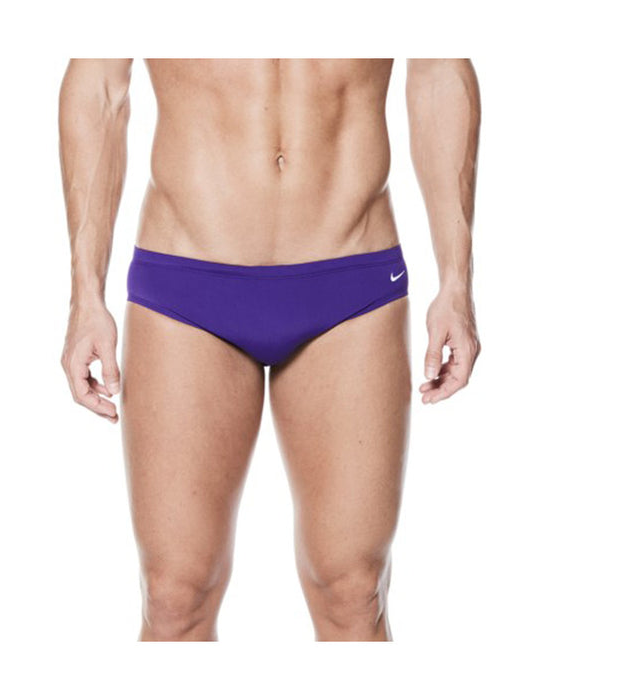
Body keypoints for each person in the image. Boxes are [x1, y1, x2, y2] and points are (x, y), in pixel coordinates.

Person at [58, 58, 481, 641]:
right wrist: (85, 294)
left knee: (354, 592)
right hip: (187, 275)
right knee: (174, 597)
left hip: (350, 273)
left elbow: (438, 71)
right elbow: (100, 84)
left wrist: (456, 282)